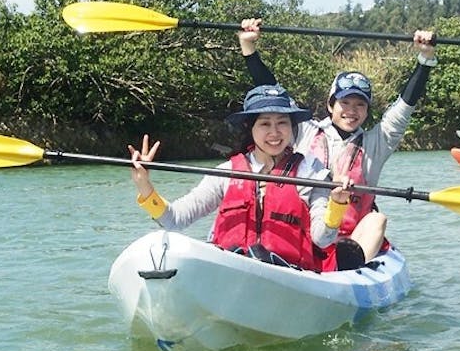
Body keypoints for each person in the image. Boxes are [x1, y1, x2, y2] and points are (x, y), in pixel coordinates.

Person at [237, 18, 437, 271]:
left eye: (360, 105)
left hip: (349, 242)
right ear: (331, 105)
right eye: (345, 103)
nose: (352, 111)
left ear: (367, 110)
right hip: (302, 230)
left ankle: (345, 269)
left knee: (377, 219)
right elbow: (271, 92)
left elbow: (405, 106)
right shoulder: (304, 131)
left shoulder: (378, 142)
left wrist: (425, 59)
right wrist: (249, 49)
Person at [128, 84, 353, 271]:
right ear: (250, 127)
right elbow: (174, 220)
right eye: (265, 123)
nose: (275, 133)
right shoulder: (226, 173)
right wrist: (145, 187)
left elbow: (322, 239)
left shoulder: (312, 174)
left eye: (282, 123)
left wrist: (338, 202)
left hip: (289, 276)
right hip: (232, 271)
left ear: (292, 127)